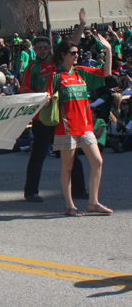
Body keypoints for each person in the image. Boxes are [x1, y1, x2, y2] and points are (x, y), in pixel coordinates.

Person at [21, 8, 88, 203]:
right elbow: (24, 92)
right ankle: (31, 192)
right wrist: (41, 97)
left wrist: (82, 25)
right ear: (34, 50)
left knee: (71, 152)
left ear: (51, 49)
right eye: (38, 48)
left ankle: (80, 189)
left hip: (63, 116)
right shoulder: (31, 68)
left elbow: (72, 45)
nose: (42, 50)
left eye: (45, 47)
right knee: (39, 155)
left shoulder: (57, 61)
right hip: (43, 118)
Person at [44, 34, 113, 217]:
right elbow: (46, 100)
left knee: (97, 162)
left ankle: (93, 202)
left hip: (85, 127)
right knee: (67, 167)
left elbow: (105, 73)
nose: (76, 55)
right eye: (73, 52)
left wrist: (108, 50)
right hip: (66, 129)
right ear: (63, 55)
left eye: (77, 52)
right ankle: (70, 206)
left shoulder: (81, 72)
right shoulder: (55, 77)